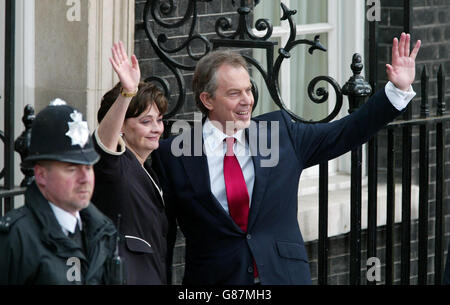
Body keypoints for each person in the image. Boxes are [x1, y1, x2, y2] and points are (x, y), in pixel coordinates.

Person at [152, 32, 422, 285]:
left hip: (283, 276)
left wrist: (395, 92)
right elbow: (162, 234)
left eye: (248, 90)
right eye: (234, 93)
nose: (246, 100)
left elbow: (345, 132)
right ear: (207, 100)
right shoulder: (175, 154)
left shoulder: (280, 134)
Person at [0, 101, 119, 285]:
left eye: (88, 167)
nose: (84, 178)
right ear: (41, 174)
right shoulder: (16, 239)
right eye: (72, 169)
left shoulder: (102, 230)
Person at [91, 41, 169, 285]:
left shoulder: (149, 170)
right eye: (146, 121)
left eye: (159, 120)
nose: (156, 128)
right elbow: (103, 145)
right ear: (121, 127)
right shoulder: (114, 167)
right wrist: (127, 94)